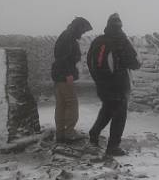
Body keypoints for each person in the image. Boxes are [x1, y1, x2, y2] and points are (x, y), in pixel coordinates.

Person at [87, 13, 141, 156]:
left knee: (107, 109)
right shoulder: (121, 41)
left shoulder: (98, 41)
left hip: (102, 85)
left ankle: (94, 133)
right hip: (119, 84)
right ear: (120, 26)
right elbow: (134, 62)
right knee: (119, 115)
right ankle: (113, 147)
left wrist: (98, 80)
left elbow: (89, 61)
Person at [51, 17, 93, 143]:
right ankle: (69, 133)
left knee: (62, 104)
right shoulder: (68, 37)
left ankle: (60, 133)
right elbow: (62, 58)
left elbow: (62, 57)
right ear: (78, 28)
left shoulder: (67, 36)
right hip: (64, 76)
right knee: (72, 103)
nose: (83, 33)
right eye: (83, 31)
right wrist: (68, 74)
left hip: (59, 75)